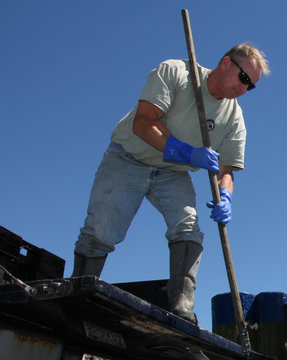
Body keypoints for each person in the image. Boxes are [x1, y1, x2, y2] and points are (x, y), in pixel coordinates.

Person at [72, 43, 269, 323]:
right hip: (129, 157)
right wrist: (187, 152)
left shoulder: (235, 118)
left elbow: (227, 170)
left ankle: (181, 305)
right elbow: (143, 122)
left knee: (188, 226)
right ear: (226, 63)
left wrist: (226, 196)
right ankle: (79, 291)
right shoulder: (176, 72)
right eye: (244, 78)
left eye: (251, 86)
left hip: (172, 173)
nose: (244, 89)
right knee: (102, 230)